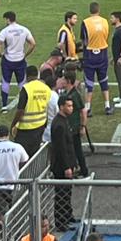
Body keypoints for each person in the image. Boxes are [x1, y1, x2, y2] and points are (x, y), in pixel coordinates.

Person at [0, 124, 28, 219]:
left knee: (0, 212)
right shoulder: (17, 147)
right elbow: (25, 160)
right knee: (15, 209)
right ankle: (14, 228)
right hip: (13, 184)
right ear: (8, 135)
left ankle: (2, 230)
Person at [0, 11, 36, 111]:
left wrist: (0, 54)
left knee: (5, 82)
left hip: (8, 60)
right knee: (22, 83)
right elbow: (33, 44)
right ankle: (25, 105)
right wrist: (25, 54)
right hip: (20, 60)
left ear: (8, 19)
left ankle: (4, 106)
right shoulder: (24, 29)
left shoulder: (5, 31)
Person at [49, 96, 78, 230]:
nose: (71, 108)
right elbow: (61, 148)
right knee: (62, 194)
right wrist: (67, 166)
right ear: (61, 107)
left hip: (67, 164)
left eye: (71, 106)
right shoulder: (59, 124)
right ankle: (61, 222)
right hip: (61, 166)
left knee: (67, 192)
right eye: (68, 106)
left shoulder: (63, 121)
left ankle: (67, 216)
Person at [81, 2, 113, 116]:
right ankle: (107, 106)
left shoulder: (85, 22)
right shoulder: (105, 21)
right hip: (102, 53)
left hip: (90, 54)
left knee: (89, 82)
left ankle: (88, 108)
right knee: (104, 80)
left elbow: (84, 40)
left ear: (90, 10)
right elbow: (106, 35)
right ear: (99, 10)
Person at [15, 64, 54, 157]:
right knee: (35, 153)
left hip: (26, 127)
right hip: (40, 125)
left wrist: (14, 124)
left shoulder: (26, 88)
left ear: (27, 75)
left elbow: (20, 110)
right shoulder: (46, 88)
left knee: (23, 155)